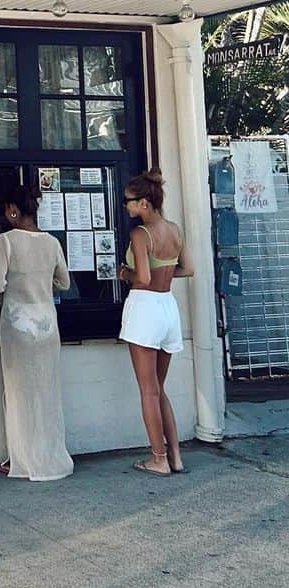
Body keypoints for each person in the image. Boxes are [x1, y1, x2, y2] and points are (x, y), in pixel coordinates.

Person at [0, 182, 73, 481]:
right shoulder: (52, 243)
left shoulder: (5, 242)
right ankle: (50, 456)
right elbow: (64, 283)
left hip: (17, 324)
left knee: (19, 393)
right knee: (47, 391)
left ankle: (21, 459)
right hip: (48, 325)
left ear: (13, 210)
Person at [117, 169, 195, 475]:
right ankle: (175, 455)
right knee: (159, 388)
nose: (126, 206)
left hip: (145, 308)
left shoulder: (140, 234)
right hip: (168, 306)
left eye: (130, 202)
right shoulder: (174, 230)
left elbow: (143, 277)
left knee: (148, 390)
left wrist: (124, 273)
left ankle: (158, 458)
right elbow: (187, 269)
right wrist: (164, 277)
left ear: (145, 203)